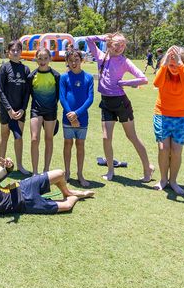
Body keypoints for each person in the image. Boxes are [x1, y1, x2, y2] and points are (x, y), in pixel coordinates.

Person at [86, 33, 155, 182]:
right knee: (106, 138)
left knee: (132, 136)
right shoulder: (101, 56)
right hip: (106, 102)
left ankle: (148, 168)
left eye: (123, 45)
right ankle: (110, 170)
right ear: (109, 44)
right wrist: (103, 37)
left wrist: (124, 83)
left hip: (121, 103)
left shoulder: (125, 61)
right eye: (117, 44)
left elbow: (143, 79)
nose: (120, 48)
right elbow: (88, 40)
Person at [0, 158, 95, 215]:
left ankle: (67, 192)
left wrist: (9, 165)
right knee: (67, 206)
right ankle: (76, 196)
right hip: (26, 204)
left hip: (24, 187)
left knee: (60, 173)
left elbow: (7, 171)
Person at [152, 46, 184, 195]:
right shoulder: (163, 71)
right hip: (162, 115)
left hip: (182, 117)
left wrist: (180, 64)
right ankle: (163, 180)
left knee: (176, 151)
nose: (174, 67)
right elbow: (156, 84)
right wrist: (164, 66)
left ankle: (173, 181)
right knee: (163, 149)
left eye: (177, 64)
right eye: (171, 64)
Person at [59, 49, 94, 187]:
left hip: (82, 119)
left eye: (76, 60)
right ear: (67, 62)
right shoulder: (64, 77)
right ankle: (67, 173)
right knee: (67, 144)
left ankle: (80, 174)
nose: (74, 63)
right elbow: (62, 97)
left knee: (80, 145)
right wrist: (72, 116)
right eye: (71, 61)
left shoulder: (88, 77)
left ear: (81, 60)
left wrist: (77, 114)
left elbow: (90, 99)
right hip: (67, 118)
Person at [0, 40, 32, 175]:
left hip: (19, 111)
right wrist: (9, 109)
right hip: (6, 110)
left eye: (18, 50)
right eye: (13, 50)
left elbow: (27, 92)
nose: (16, 52)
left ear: (21, 52)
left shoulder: (25, 70)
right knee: (4, 135)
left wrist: (22, 109)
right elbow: (0, 90)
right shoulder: (4, 68)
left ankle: (20, 165)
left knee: (18, 137)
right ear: (8, 52)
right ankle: (1, 165)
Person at [28, 47, 60, 176]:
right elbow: (29, 94)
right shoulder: (31, 76)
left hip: (51, 111)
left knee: (49, 139)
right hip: (36, 110)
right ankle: (35, 172)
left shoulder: (56, 75)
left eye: (45, 58)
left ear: (50, 59)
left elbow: (58, 95)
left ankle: (46, 170)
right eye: (40, 58)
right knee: (34, 139)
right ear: (36, 59)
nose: (42, 61)